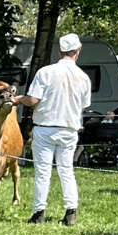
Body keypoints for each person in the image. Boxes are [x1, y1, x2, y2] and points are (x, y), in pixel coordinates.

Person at [18, 33, 92, 225]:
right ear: (78, 52)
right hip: (69, 129)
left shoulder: (46, 72)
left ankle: (39, 212)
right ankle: (70, 212)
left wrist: (18, 99)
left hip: (45, 127)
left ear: (60, 51)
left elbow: (33, 100)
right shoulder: (83, 77)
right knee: (66, 170)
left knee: (43, 172)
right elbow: (83, 106)